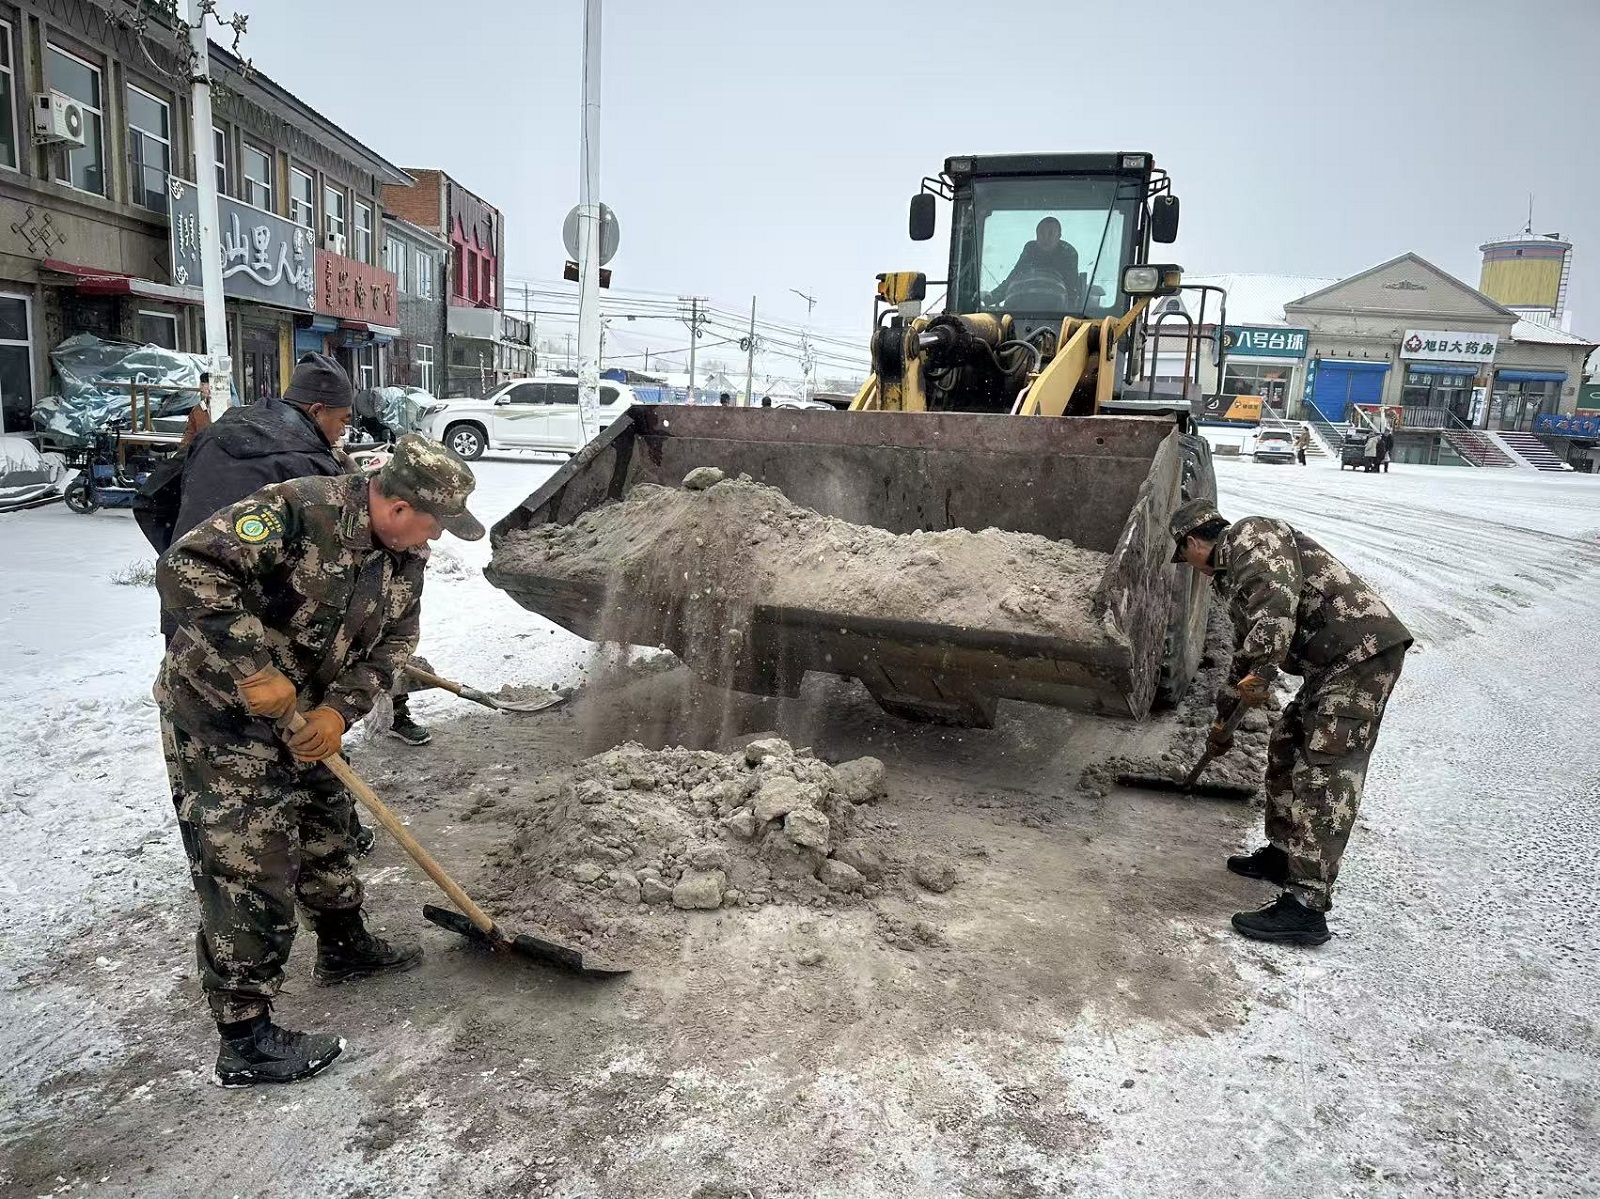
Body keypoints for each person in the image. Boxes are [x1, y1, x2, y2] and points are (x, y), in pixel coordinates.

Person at [155, 434, 485, 1087]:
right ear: (396, 505)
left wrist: (338, 712)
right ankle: (245, 1037)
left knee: (327, 828)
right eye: (436, 521)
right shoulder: (297, 511)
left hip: (306, 717)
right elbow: (187, 566)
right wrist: (253, 668)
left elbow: (391, 648)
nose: (438, 537)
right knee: (250, 863)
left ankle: (343, 946)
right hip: (222, 715)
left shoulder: (404, 557)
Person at [1169, 498, 1412, 946]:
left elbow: (1273, 621)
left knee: (1326, 771)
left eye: (1184, 558)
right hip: (1329, 664)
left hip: (1357, 655)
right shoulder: (1233, 572)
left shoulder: (1250, 535)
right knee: (1286, 743)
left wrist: (1254, 677)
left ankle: (1305, 906)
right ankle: (1283, 855)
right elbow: (1248, 651)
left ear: (1192, 543)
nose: (1191, 569)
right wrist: (1226, 717)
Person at [990, 217, 1080, 306]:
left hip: (1057, 310)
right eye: (1041, 233)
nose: (1046, 238)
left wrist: (1070, 313)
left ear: (1059, 236)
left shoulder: (1068, 253)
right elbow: (1014, 276)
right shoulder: (1030, 249)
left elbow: (1071, 289)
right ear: (1036, 234)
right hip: (1024, 306)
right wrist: (991, 297)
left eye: (1051, 233)